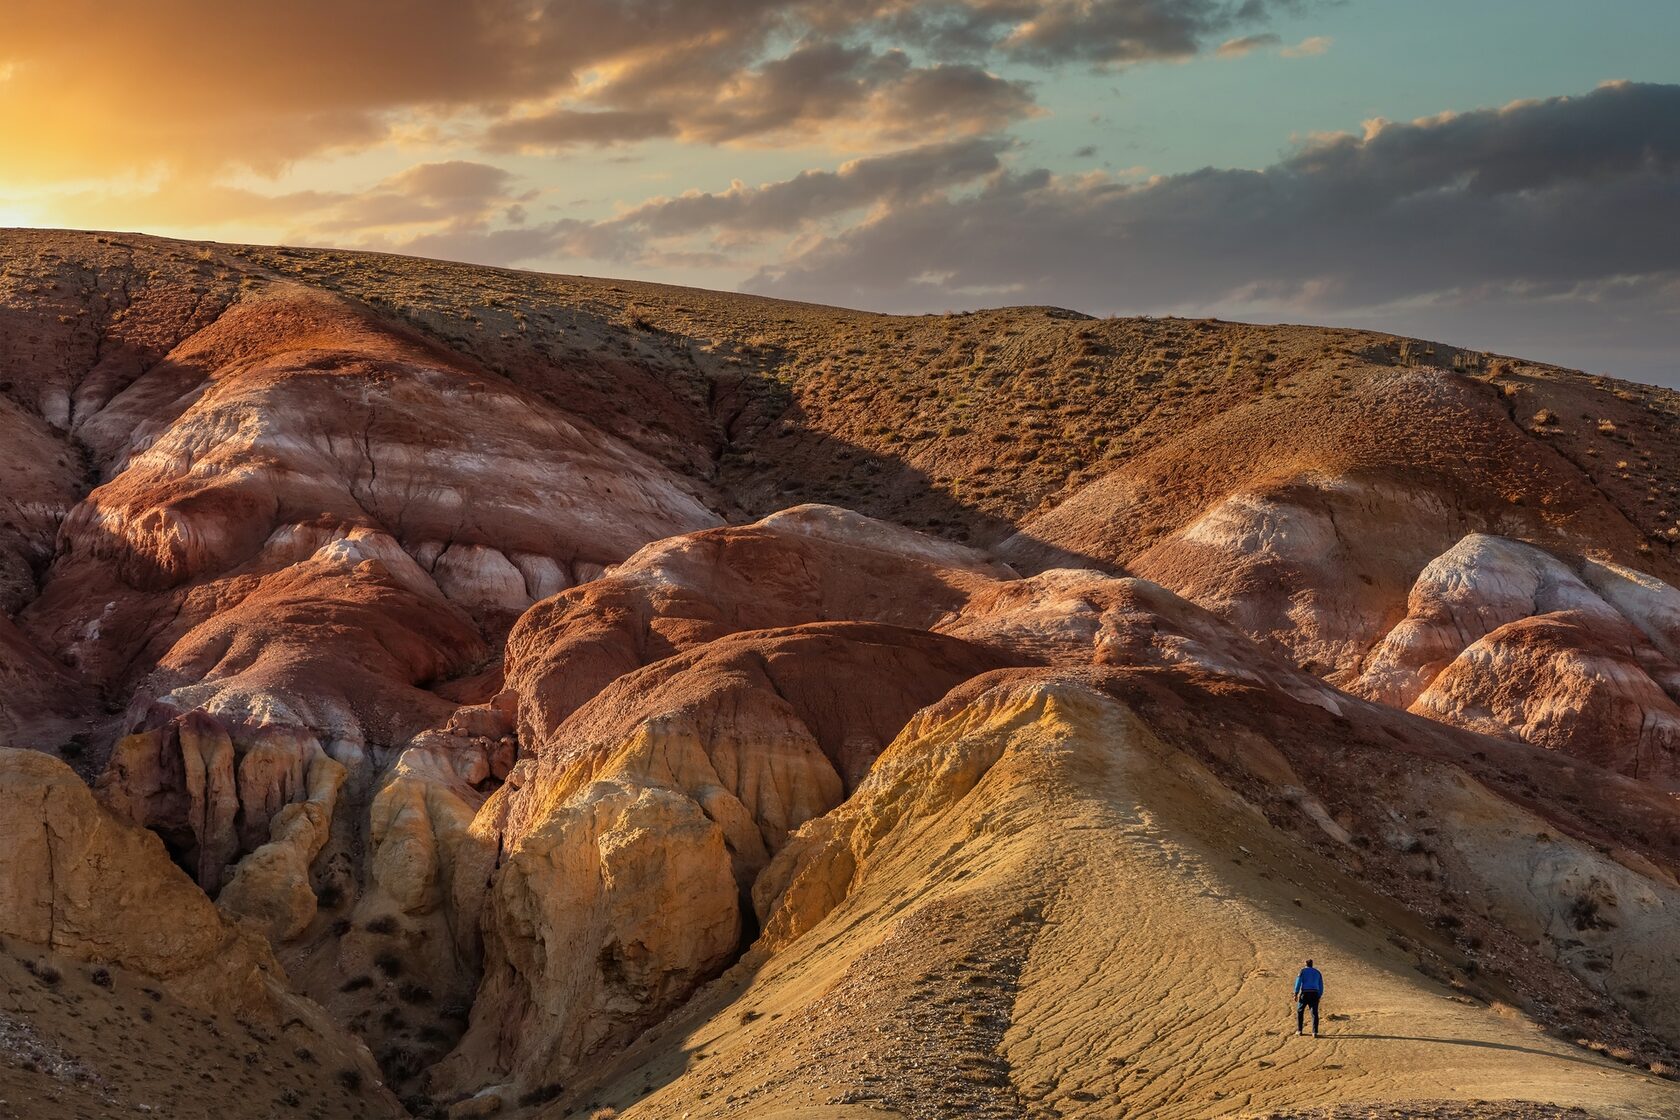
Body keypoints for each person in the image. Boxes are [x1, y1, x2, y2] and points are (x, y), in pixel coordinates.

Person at [1294, 959, 1324, 1037]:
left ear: (1305, 964)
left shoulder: (1302, 971)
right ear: (1312, 964)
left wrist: (1296, 993)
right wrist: (1319, 995)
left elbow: (1298, 982)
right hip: (1314, 994)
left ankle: (1299, 1030)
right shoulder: (1318, 972)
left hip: (1305, 993)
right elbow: (1321, 985)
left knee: (1300, 1011)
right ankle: (1315, 1032)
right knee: (1314, 1013)